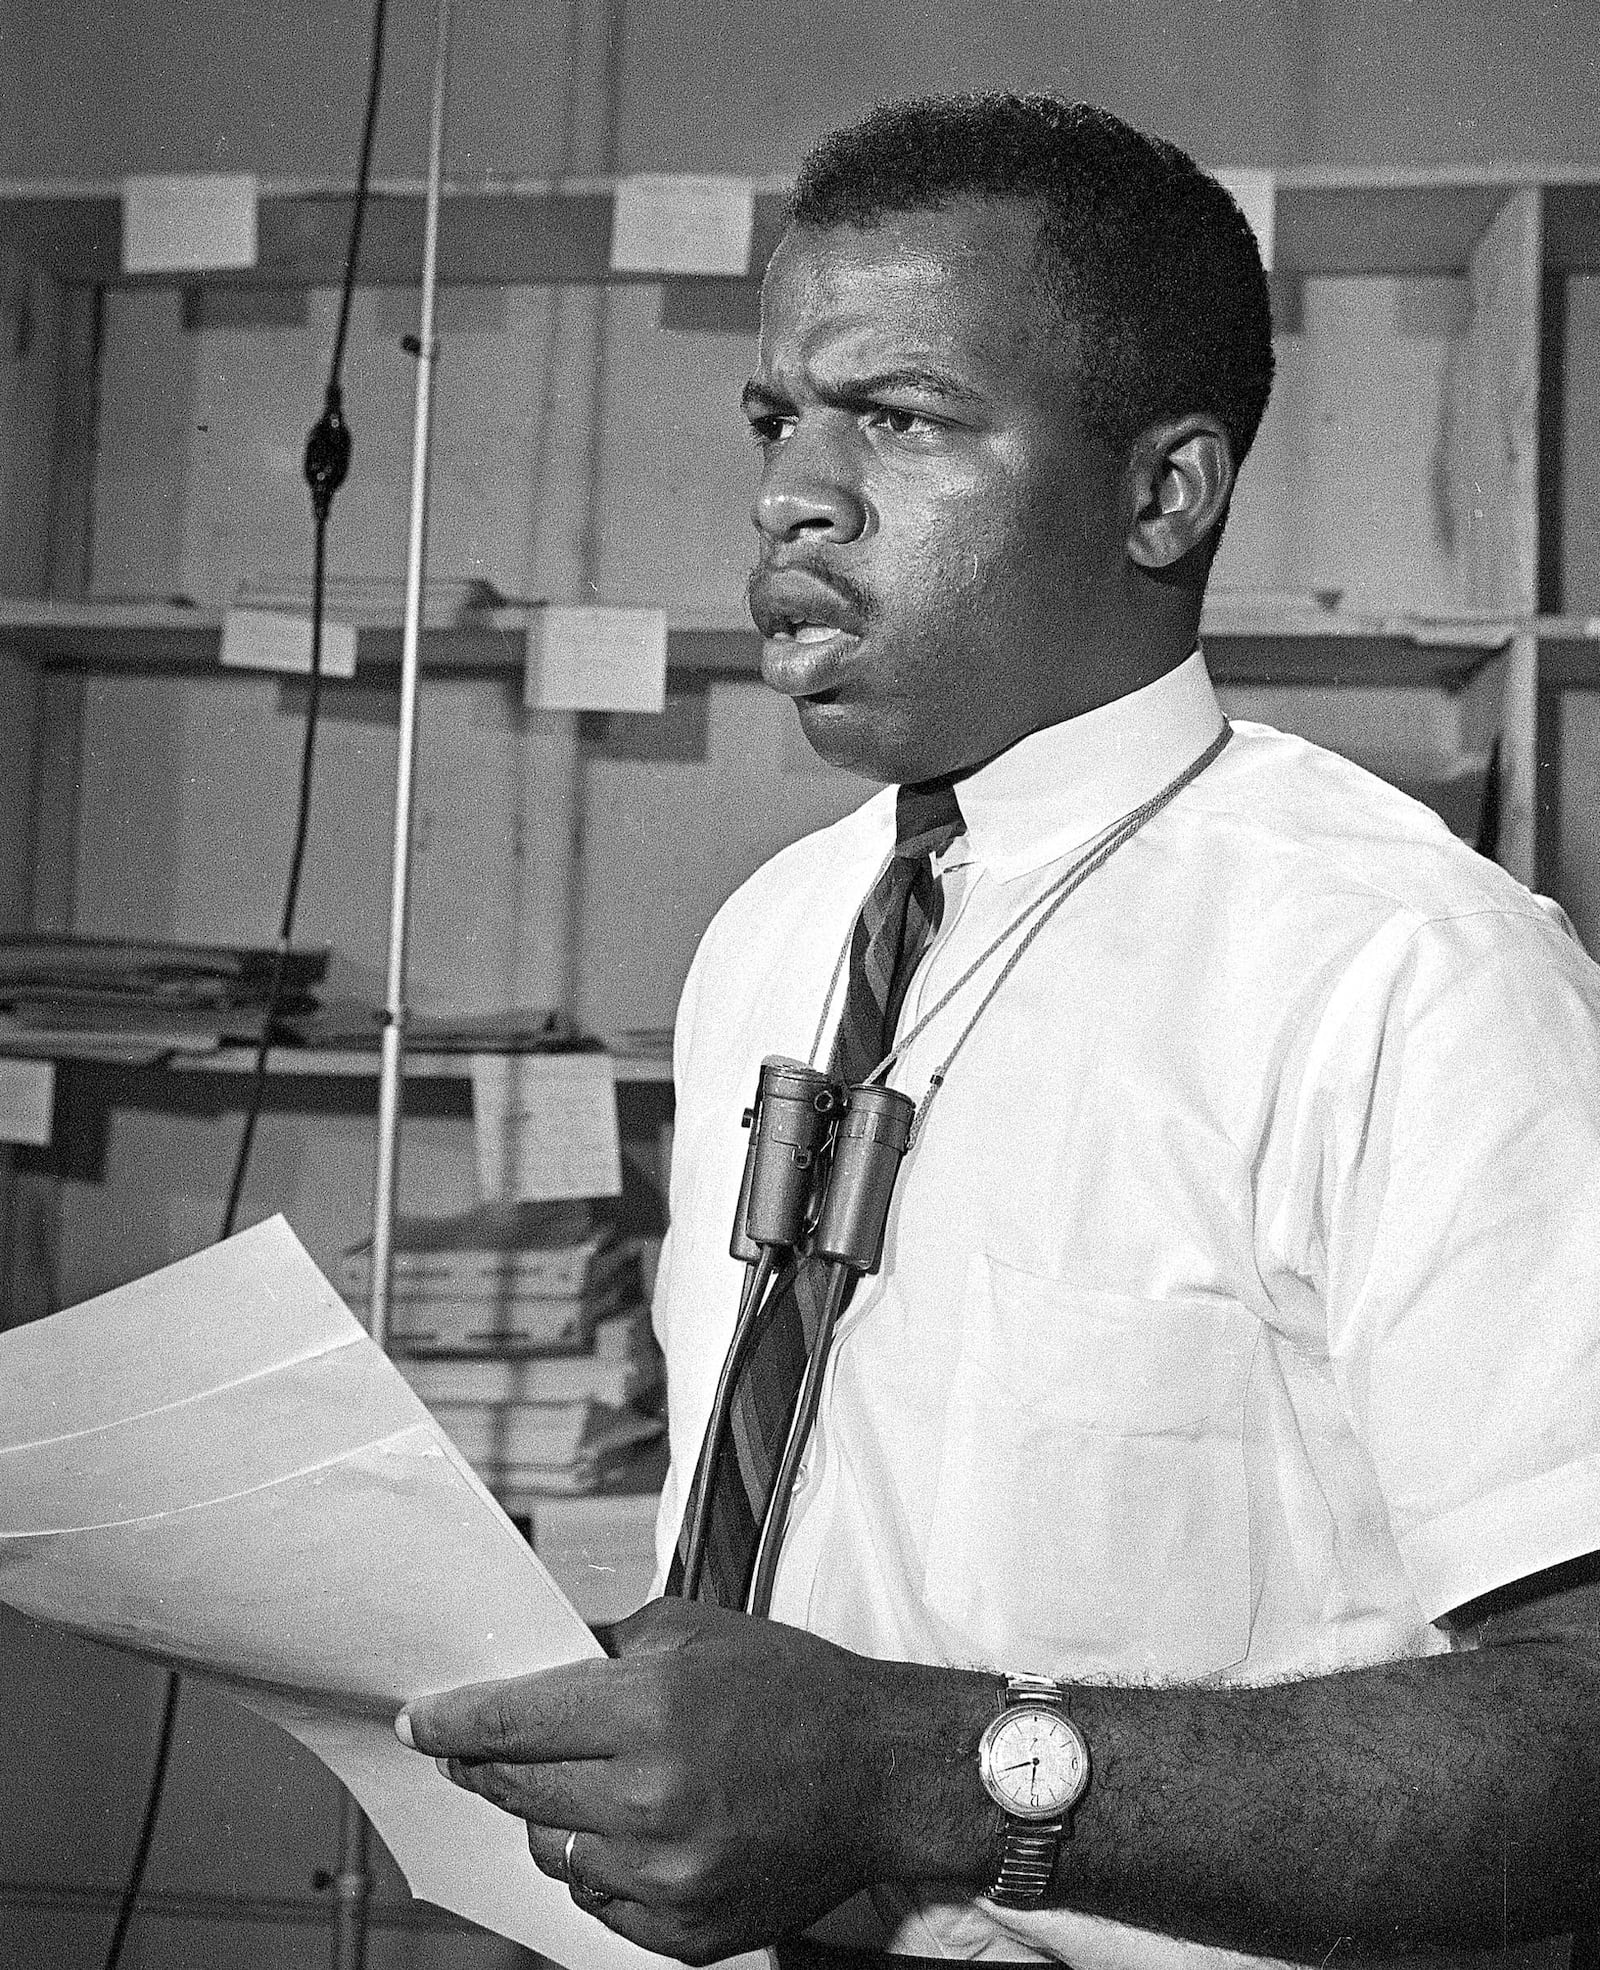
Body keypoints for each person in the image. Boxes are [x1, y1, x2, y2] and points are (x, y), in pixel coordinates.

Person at [396, 94, 1600, 1968]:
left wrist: (914, 1773)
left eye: (900, 417)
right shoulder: (773, 937)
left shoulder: (1412, 970)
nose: (796, 490)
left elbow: (1584, 1740)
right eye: (779, 415)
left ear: (1162, 491)